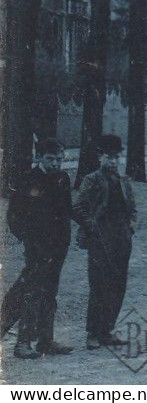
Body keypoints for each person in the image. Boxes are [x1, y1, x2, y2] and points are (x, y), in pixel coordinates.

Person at [2, 139, 75, 358]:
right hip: (37, 247)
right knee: (30, 292)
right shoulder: (27, 180)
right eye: (50, 159)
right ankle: (22, 344)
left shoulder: (63, 179)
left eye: (59, 159)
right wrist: (29, 239)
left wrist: (65, 240)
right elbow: (13, 216)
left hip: (58, 247)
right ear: (39, 157)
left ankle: (46, 341)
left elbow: (66, 212)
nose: (56, 163)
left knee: (50, 292)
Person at [73, 134, 136, 349]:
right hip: (100, 241)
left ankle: (107, 330)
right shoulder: (91, 180)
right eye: (109, 157)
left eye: (117, 157)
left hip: (121, 240)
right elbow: (78, 208)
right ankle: (93, 333)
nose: (113, 162)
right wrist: (93, 228)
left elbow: (133, 210)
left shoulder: (125, 181)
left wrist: (130, 227)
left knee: (118, 285)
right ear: (100, 157)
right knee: (99, 285)